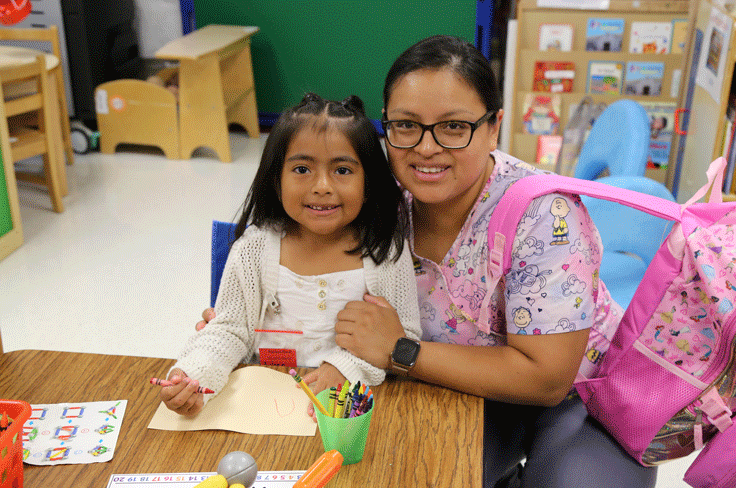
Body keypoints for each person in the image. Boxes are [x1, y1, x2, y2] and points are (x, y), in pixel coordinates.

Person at [196, 37, 657, 487]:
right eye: (406, 125)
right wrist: (249, 322)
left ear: (493, 126)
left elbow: (547, 380)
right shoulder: (375, 199)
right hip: (450, 386)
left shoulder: (545, 213)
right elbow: (306, 261)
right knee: (401, 469)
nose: (427, 148)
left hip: (581, 396)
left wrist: (401, 350)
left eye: (454, 127)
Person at [162, 93, 421, 416]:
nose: (323, 186)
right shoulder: (254, 249)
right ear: (276, 180)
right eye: (302, 169)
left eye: (342, 170)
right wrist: (194, 376)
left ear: (368, 183)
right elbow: (228, 330)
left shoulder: (386, 253)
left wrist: (344, 369)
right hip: (264, 409)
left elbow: (404, 337)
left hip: (351, 413)